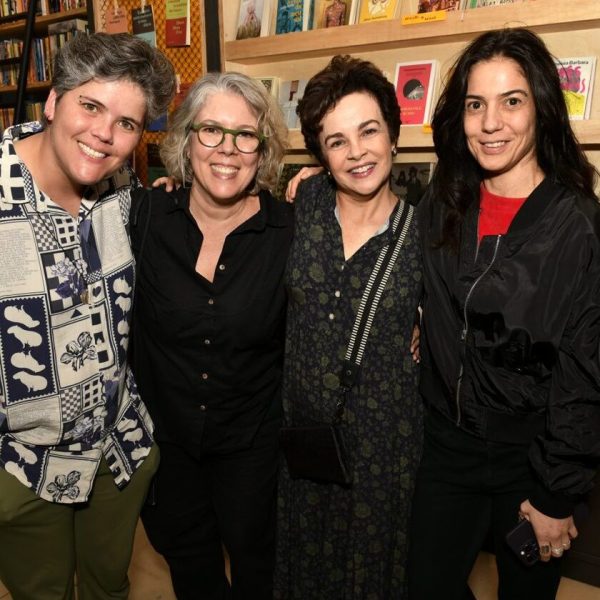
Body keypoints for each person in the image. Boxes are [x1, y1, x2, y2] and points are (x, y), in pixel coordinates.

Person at [409, 27, 600, 600]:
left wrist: (555, 494)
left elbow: (586, 373)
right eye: (475, 104)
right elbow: (403, 258)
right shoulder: (445, 195)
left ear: (541, 106)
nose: (490, 123)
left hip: (532, 457)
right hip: (447, 443)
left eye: (510, 101)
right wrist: (318, 184)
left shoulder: (579, 225)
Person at [0, 32, 176, 599]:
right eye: (91, 105)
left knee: (110, 588)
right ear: (53, 102)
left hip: (115, 453)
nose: (104, 133)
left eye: (126, 123)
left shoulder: (121, 189)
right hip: (22, 466)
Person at [129, 71, 292, 600]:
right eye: (211, 131)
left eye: (245, 135)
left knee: (257, 567)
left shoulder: (291, 230)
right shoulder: (145, 216)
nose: (227, 149)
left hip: (250, 447)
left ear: (262, 149)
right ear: (185, 140)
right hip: (168, 443)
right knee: (191, 566)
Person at [274, 55, 423, 598]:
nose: (357, 152)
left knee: (372, 577)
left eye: (368, 131)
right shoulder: (303, 202)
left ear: (393, 134)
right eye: (337, 142)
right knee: (305, 571)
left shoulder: (426, 230)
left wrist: (424, 320)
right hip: (305, 440)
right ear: (320, 154)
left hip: (383, 452)